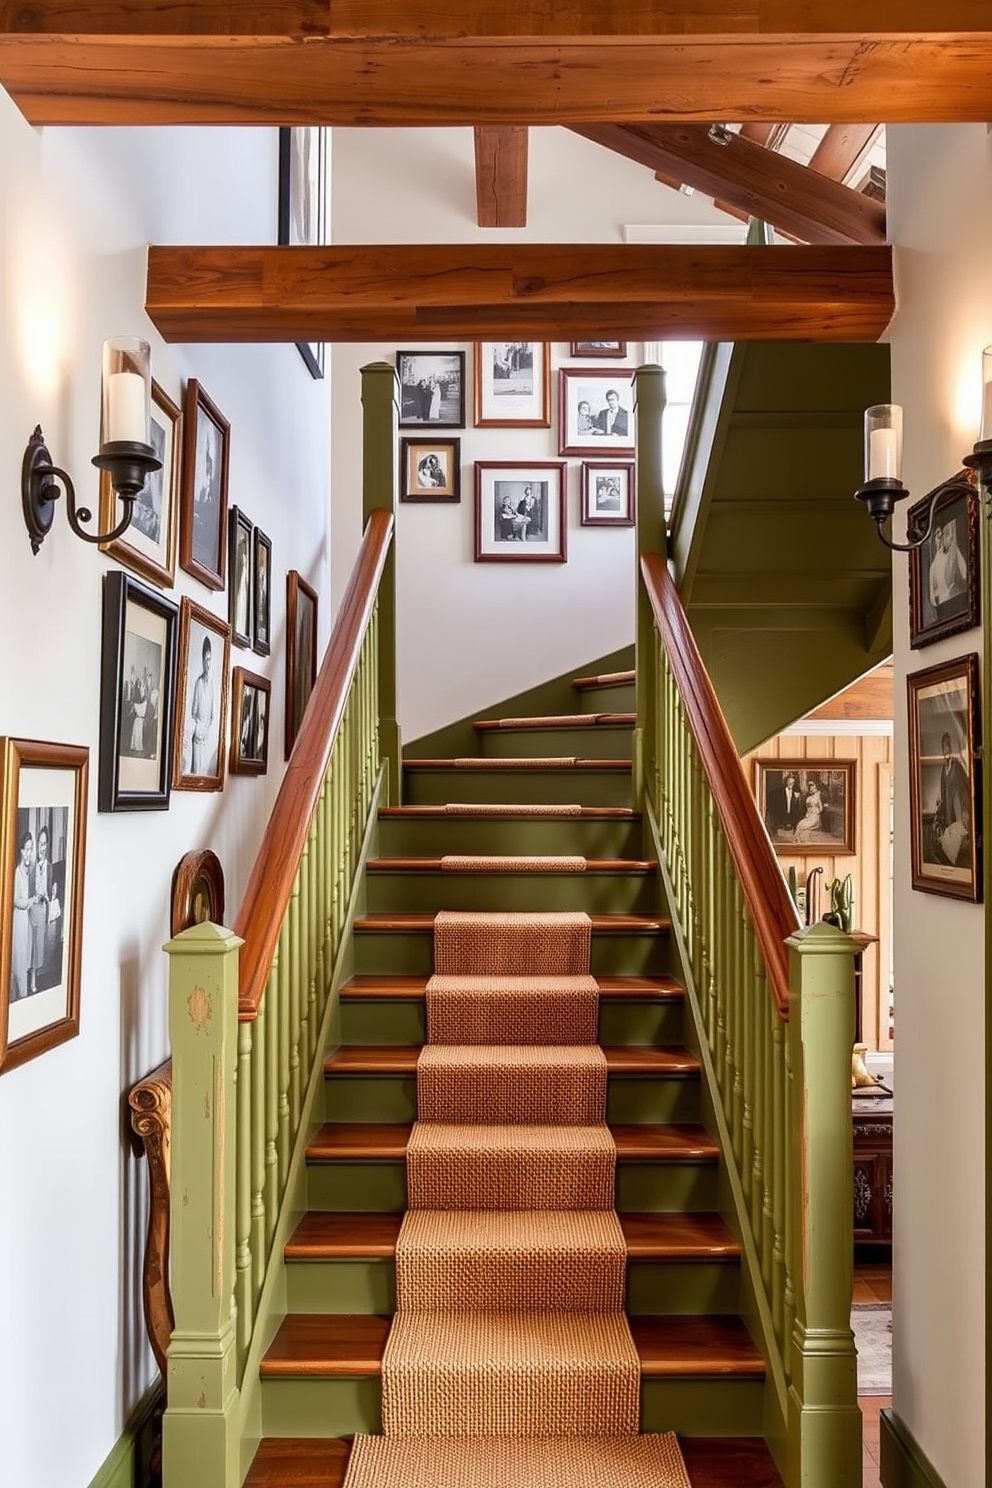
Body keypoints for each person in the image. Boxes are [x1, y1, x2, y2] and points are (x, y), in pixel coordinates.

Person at [935, 730, 970, 864]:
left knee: (960, 838)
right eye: (944, 746)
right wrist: (942, 809)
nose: (946, 749)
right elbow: (943, 791)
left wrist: (966, 811)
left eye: (948, 746)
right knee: (951, 842)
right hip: (949, 811)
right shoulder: (944, 770)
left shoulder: (957, 766)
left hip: (960, 809)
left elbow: (966, 785)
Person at [11, 829, 35, 1002]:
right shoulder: (17, 873)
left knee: (26, 956)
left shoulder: (27, 872)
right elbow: (16, 900)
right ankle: (21, 994)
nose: (29, 853)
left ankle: (23, 994)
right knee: (18, 958)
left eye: (31, 849)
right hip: (18, 920)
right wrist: (29, 901)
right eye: (27, 849)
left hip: (26, 920)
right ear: (21, 851)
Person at [28, 826, 52, 994]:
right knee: (32, 946)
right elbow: (30, 890)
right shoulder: (33, 866)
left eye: (44, 844)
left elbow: (49, 891)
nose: (42, 847)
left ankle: (34, 975)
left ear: (47, 846)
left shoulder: (49, 867)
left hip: (42, 909)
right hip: (32, 909)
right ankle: (32, 980)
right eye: (40, 843)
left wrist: (47, 896)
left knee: (39, 947)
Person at [928, 516, 967, 608]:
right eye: (937, 533)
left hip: (957, 599)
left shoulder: (954, 551)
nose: (939, 536)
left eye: (941, 532)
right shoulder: (933, 567)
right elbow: (933, 597)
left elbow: (964, 575)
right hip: (944, 605)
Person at [190, 635, 215, 775]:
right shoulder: (198, 683)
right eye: (206, 660)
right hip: (198, 735)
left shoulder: (211, 684)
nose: (208, 664)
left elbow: (212, 715)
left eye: (210, 660)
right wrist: (198, 728)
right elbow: (193, 712)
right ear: (202, 660)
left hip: (206, 735)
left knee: (204, 772)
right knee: (196, 770)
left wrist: (206, 729)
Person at [771, 772, 805, 836]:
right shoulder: (780, 792)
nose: (790, 783)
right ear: (786, 782)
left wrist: (797, 799)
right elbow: (777, 805)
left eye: (792, 782)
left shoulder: (796, 791)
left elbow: (797, 805)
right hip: (782, 814)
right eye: (789, 782)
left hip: (792, 814)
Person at [793, 779, 824, 844]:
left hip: (814, 816)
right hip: (808, 816)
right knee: (799, 825)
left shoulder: (818, 797)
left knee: (803, 826)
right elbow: (805, 807)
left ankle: (798, 838)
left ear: (816, 789)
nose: (811, 790)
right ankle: (800, 839)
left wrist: (816, 811)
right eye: (810, 788)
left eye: (813, 788)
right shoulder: (808, 798)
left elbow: (821, 808)